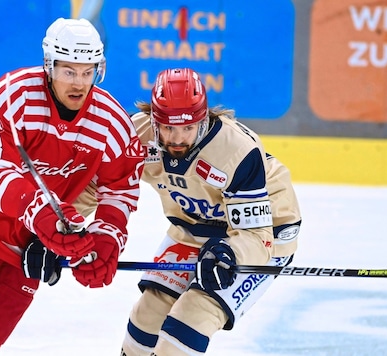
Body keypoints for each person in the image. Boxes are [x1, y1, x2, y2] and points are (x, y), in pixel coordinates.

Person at [0, 18, 143, 355]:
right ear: (49, 66)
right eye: (68, 71)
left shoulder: (111, 123)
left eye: (87, 72)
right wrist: (42, 215)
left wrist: (107, 235)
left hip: (27, 237)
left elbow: (119, 189)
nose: (78, 83)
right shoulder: (12, 95)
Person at [118, 68, 302, 355]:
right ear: (154, 121)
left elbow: (257, 236)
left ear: (203, 119)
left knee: (190, 321)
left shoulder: (236, 151)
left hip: (263, 236)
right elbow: (96, 189)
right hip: (193, 229)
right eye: (167, 128)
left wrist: (231, 253)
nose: (177, 139)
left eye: (188, 128)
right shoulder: (137, 135)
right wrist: (60, 227)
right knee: (147, 316)